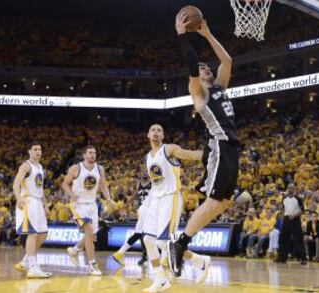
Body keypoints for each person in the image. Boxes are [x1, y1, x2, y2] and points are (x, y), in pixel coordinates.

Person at [168, 12, 239, 278]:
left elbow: (227, 60)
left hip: (232, 148)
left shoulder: (220, 87)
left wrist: (207, 34)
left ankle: (182, 242)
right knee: (213, 202)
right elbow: (190, 63)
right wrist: (182, 36)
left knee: (221, 205)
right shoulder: (199, 93)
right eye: (202, 68)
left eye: (207, 67)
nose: (206, 68)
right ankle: (180, 243)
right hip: (220, 145)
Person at [142, 124, 210, 293]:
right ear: (148, 135)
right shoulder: (147, 157)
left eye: (159, 130)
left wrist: (212, 154)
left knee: (163, 242)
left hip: (170, 198)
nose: (156, 132)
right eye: (153, 130)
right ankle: (161, 279)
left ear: (163, 135)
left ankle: (199, 261)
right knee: (148, 240)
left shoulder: (169, 149)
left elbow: (191, 155)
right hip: (155, 199)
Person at [62, 145, 113, 275]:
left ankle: (75, 249)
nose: (93, 155)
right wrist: (72, 195)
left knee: (92, 235)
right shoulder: (75, 168)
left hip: (92, 204)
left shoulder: (100, 168)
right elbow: (64, 184)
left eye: (94, 153)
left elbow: (102, 185)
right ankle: (92, 264)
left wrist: (108, 199)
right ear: (84, 155)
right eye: (90, 153)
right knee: (89, 233)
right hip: (78, 205)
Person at [13, 143, 52, 278]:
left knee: (43, 233)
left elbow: (40, 190)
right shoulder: (26, 165)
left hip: (37, 202)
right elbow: (16, 183)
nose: (38, 151)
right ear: (29, 151)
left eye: (40, 149)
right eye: (35, 149)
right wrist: (18, 198)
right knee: (33, 233)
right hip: (27, 200)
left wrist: (46, 206)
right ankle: (33, 266)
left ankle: (25, 262)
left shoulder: (40, 167)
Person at [112, 173, 150, 266]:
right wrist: (125, 205)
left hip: (143, 210)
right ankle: (163, 258)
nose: (144, 174)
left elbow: (134, 195)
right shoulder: (148, 183)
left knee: (139, 234)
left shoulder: (144, 183)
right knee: (149, 235)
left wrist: (126, 205)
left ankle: (120, 253)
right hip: (148, 210)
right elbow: (134, 195)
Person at [275, 187, 307, 264]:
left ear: (294, 190)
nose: (290, 189)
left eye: (292, 188)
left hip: (295, 220)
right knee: (283, 239)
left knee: (299, 239)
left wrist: (295, 215)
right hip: (286, 220)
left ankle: (303, 258)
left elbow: (303, 211)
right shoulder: (284, 199)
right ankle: (282, 258)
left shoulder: (298, 199)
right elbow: (284, 210)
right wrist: (283, 218)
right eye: (289, 188)